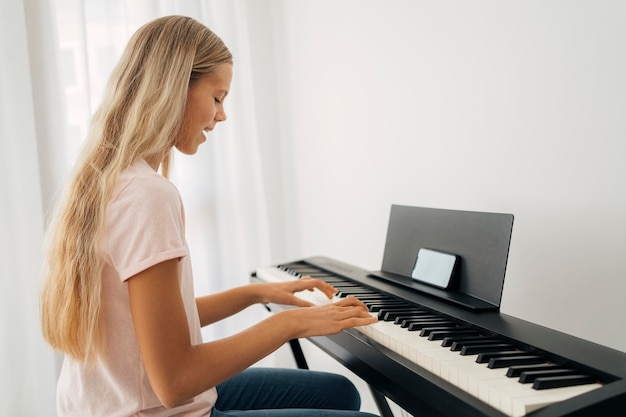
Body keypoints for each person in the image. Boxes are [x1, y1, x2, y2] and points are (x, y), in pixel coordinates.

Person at [39, 15, 379, 417]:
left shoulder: (107, 180)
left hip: (109, 404)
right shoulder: (147, 196)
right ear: (173, 90)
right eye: (217, 98)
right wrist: (292, 324)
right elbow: (175, 381)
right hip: (152, 409)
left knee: (339, 393)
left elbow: (150, 325)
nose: (221, 116)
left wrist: (257, 294)